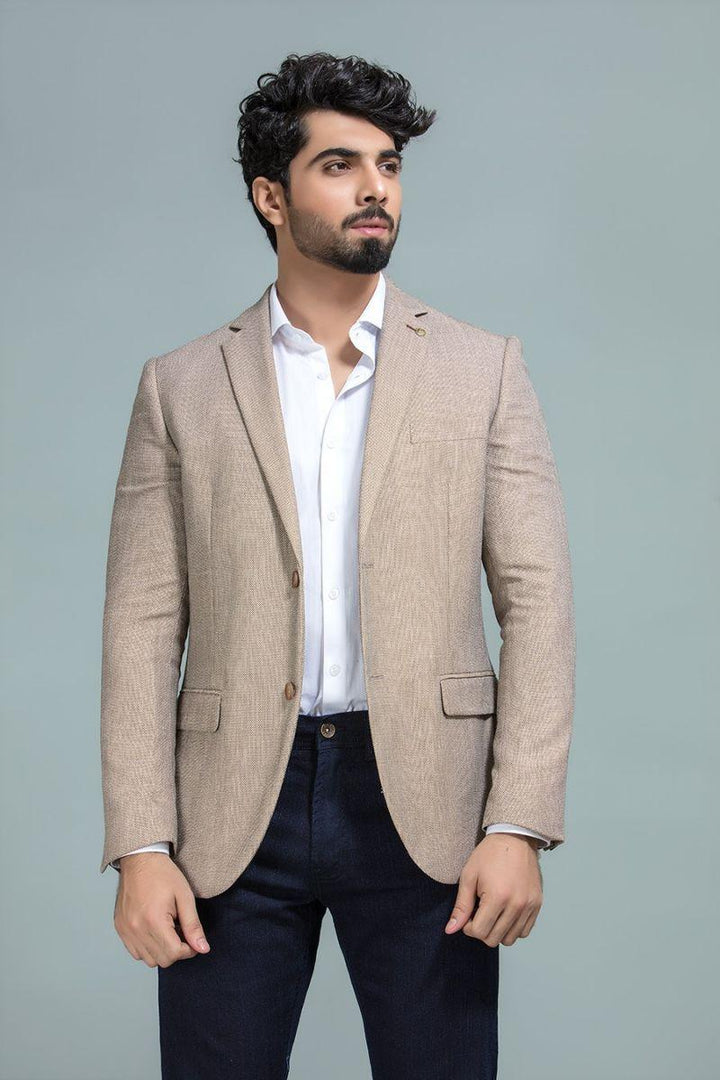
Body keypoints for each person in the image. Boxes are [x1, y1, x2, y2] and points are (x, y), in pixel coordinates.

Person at [100, 51, 575, 1080]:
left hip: (429, 802)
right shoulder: (180, 386)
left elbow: (537, 603)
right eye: (339, 165)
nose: (376, 188)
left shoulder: (483, 369)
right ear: (270, 197)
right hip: (232, 807)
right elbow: (141, 627)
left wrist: (518, 822)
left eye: (389, 165)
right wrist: (141, 845)